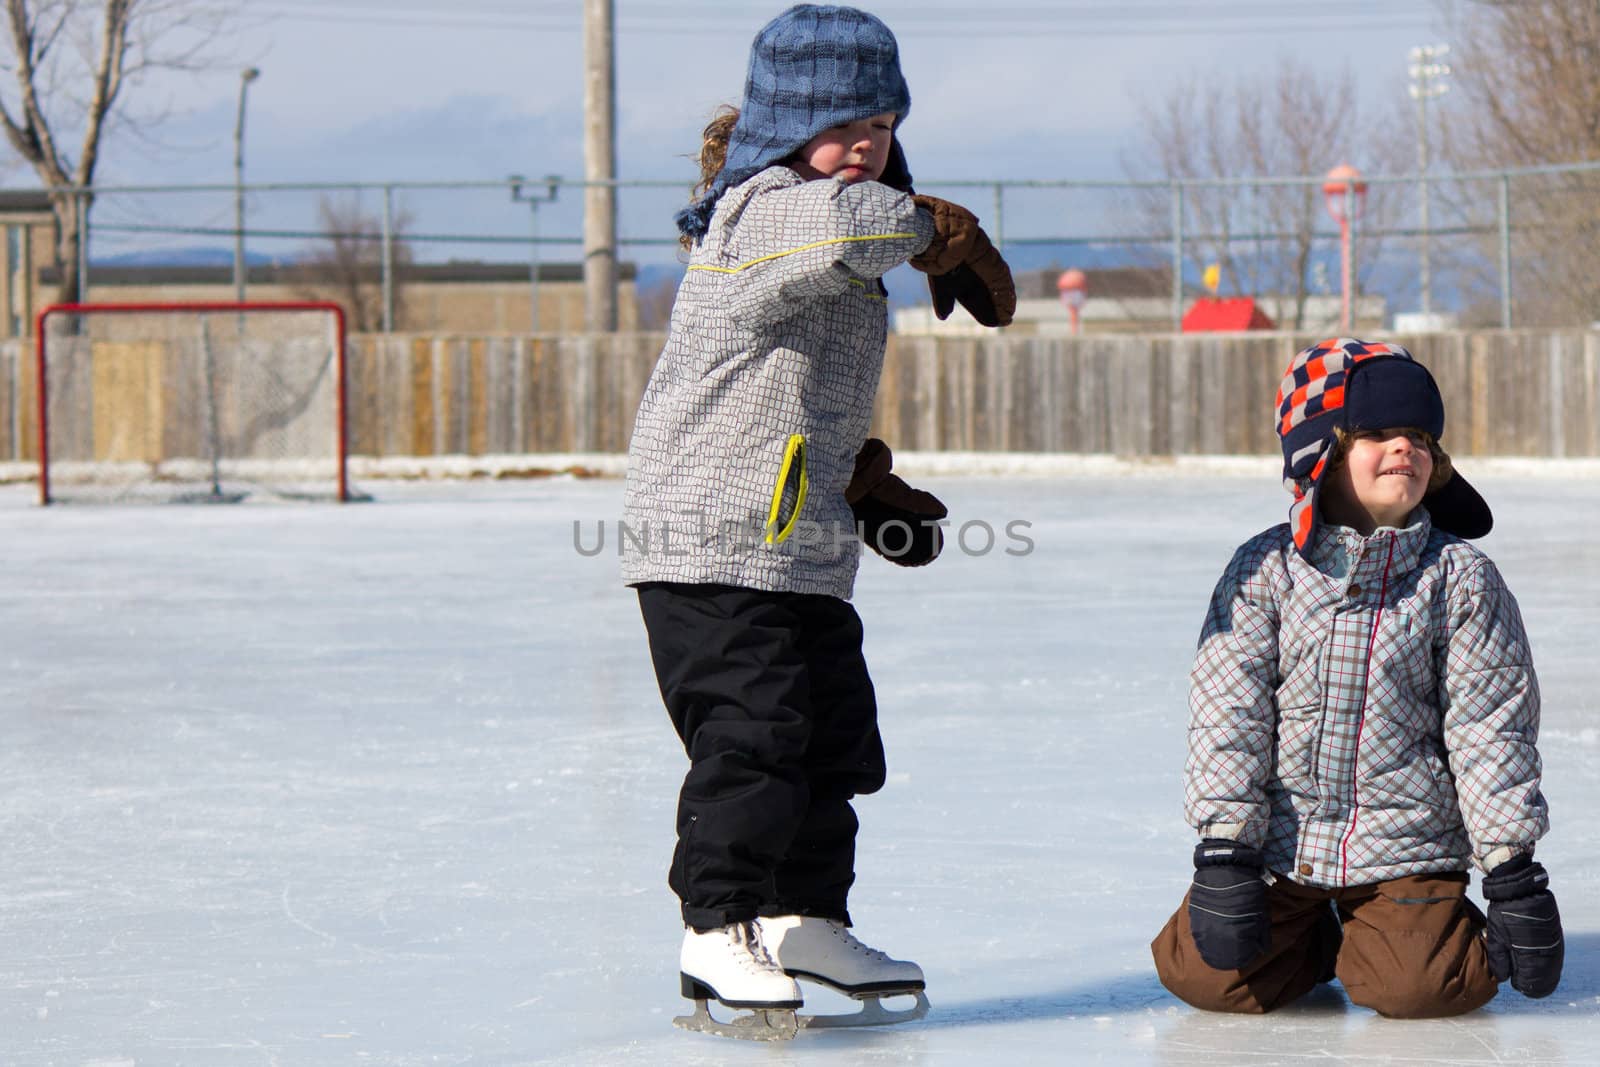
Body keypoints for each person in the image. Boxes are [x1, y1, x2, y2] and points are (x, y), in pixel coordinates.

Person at [619, 3, 1015, 1040]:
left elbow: (799, 395)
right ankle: (714, 923)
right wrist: (939, 227)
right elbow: (852, 224)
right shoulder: (760, 209)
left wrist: (859, 482)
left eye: (880, 126)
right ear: (787, 128)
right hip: (705, 539)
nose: (863, 147)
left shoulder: (844, 223)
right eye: (842, 126)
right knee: (751, 736)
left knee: (830, 741)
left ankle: (801, 918)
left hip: (796, 546)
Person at [1150, 337, 1564, 1018]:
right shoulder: (1266, 572)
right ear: (1324, 455)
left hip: (1406, 843)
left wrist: (1513, 872)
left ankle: (1391, 930)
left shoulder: (1459, 580)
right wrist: (1225, 850)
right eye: (1375, 432)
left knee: (1424, 987)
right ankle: (1315, 938)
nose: (1404, 447)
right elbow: (1230, 715)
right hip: (1283, 849)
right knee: (1204, 975)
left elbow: (1490, 729)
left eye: (1419, 435)